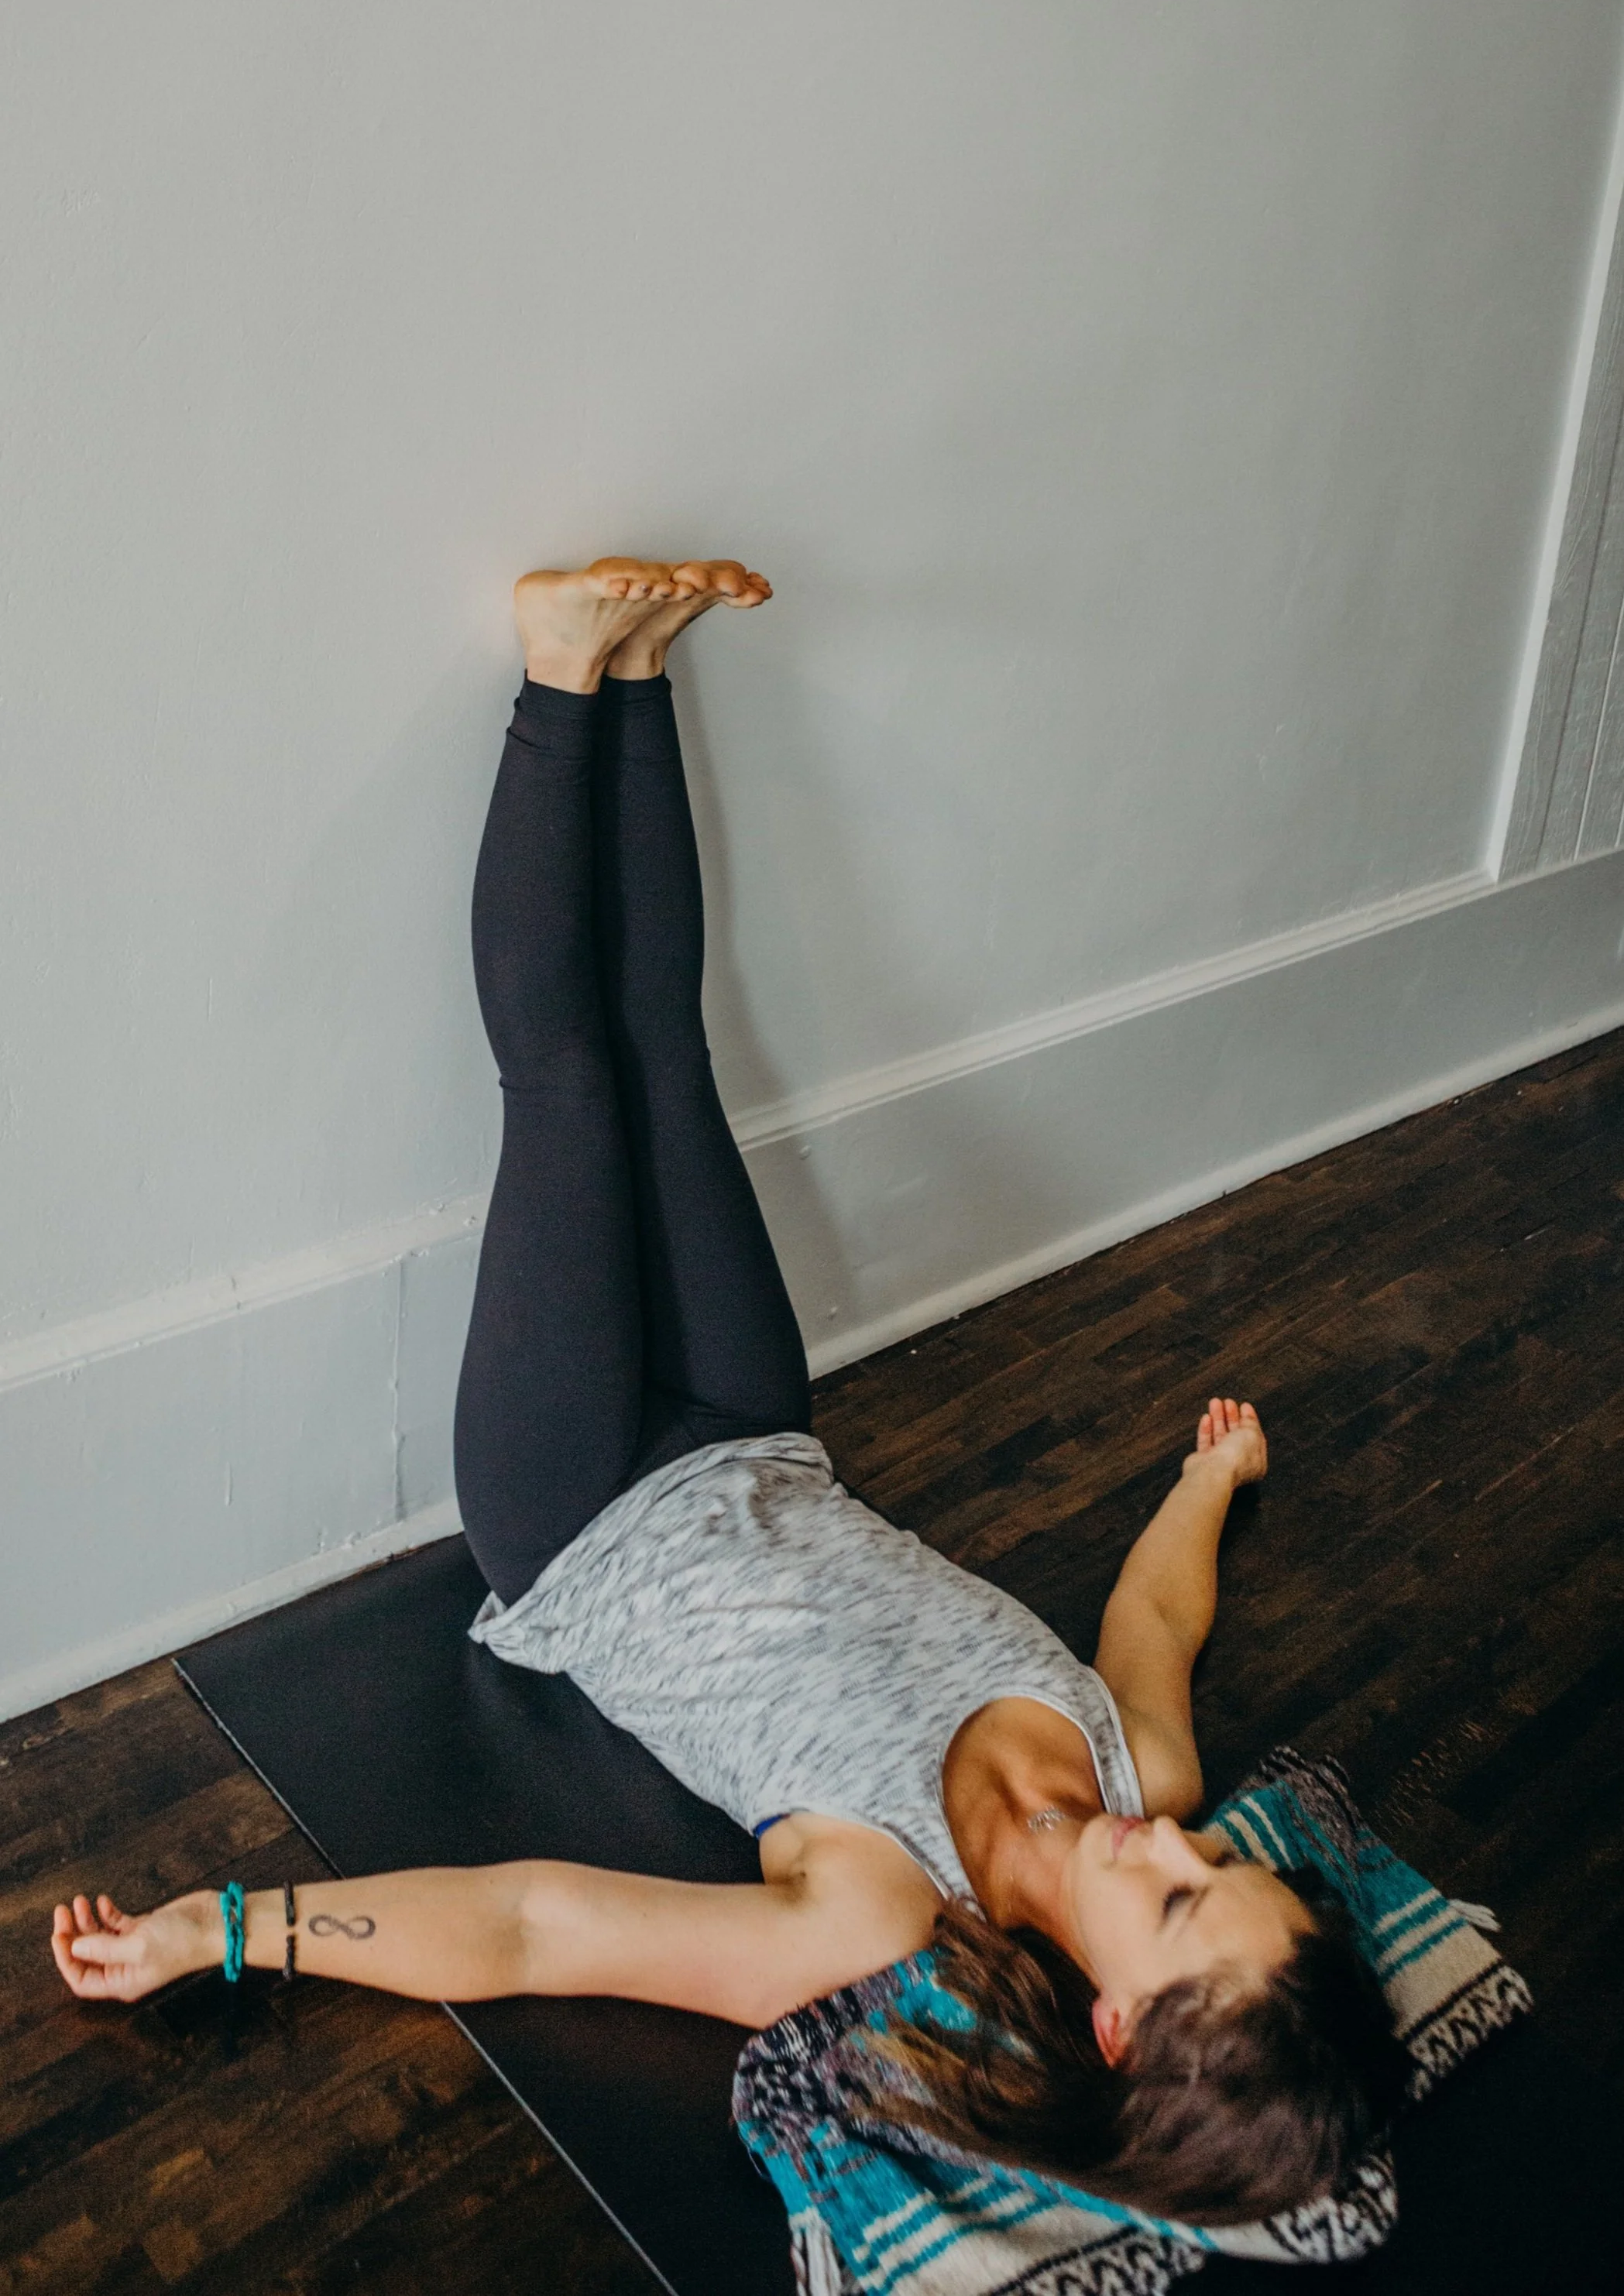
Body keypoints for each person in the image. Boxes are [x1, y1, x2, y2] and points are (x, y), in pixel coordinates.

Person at [50, 558, 1407, 2224]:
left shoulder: (879, 1924)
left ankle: (559, 672)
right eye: (1230, 1868)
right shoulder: (1149, 1777)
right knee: (675, 1050)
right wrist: (1210, 1484)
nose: (1192, 1847)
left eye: (1185, 1902)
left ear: (1118, 2028)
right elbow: (1155, 1623)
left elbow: (540, 1925)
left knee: (568, 1086)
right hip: (758, 1434)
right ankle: (632, 676)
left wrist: (231, 1929)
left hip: (588, 1511)